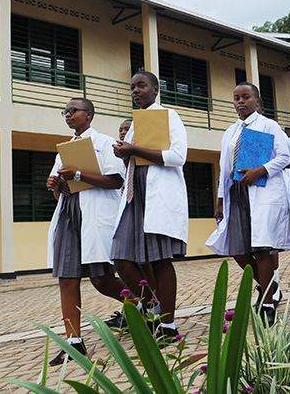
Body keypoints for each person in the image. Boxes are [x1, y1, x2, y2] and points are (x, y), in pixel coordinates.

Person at [45, 97, 128, 366]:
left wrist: (79, 175)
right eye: (65, 111)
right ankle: (73, 342)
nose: (68, 115)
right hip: (69, 214)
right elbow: (59, 190)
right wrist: (54, 184)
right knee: (66, 278)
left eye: (73, 111)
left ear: (89, 115)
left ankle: (144, 306)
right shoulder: (64, 149)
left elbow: (116, 181)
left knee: (102, 280)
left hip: (95, 213)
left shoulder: (105, 143)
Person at [208, 82, 290, 326]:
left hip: (261, 191)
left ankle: (267, 303)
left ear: (257, 101)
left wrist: (260, 170)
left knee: (261, 248)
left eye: (246, 97)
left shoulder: (269, 125)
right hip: (236, 193)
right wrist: (220, 201)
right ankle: (271, 285)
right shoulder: (230, 132)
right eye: (236, 98)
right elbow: (224, 169)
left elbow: (284, 157)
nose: (240, 102)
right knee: (237, 249)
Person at [111, 70, 188, 344]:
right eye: (132, 87)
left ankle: (168, 326)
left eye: (141, 86)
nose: (135, 90)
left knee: (159, 259)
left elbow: (178, 156)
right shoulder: (134, 123)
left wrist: (134, 150)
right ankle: (153, 308)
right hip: (134, 196)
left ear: (156, 89)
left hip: (157, 195)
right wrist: (123, 154)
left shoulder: (169, 117)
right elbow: (133, 159)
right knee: (121, 257)